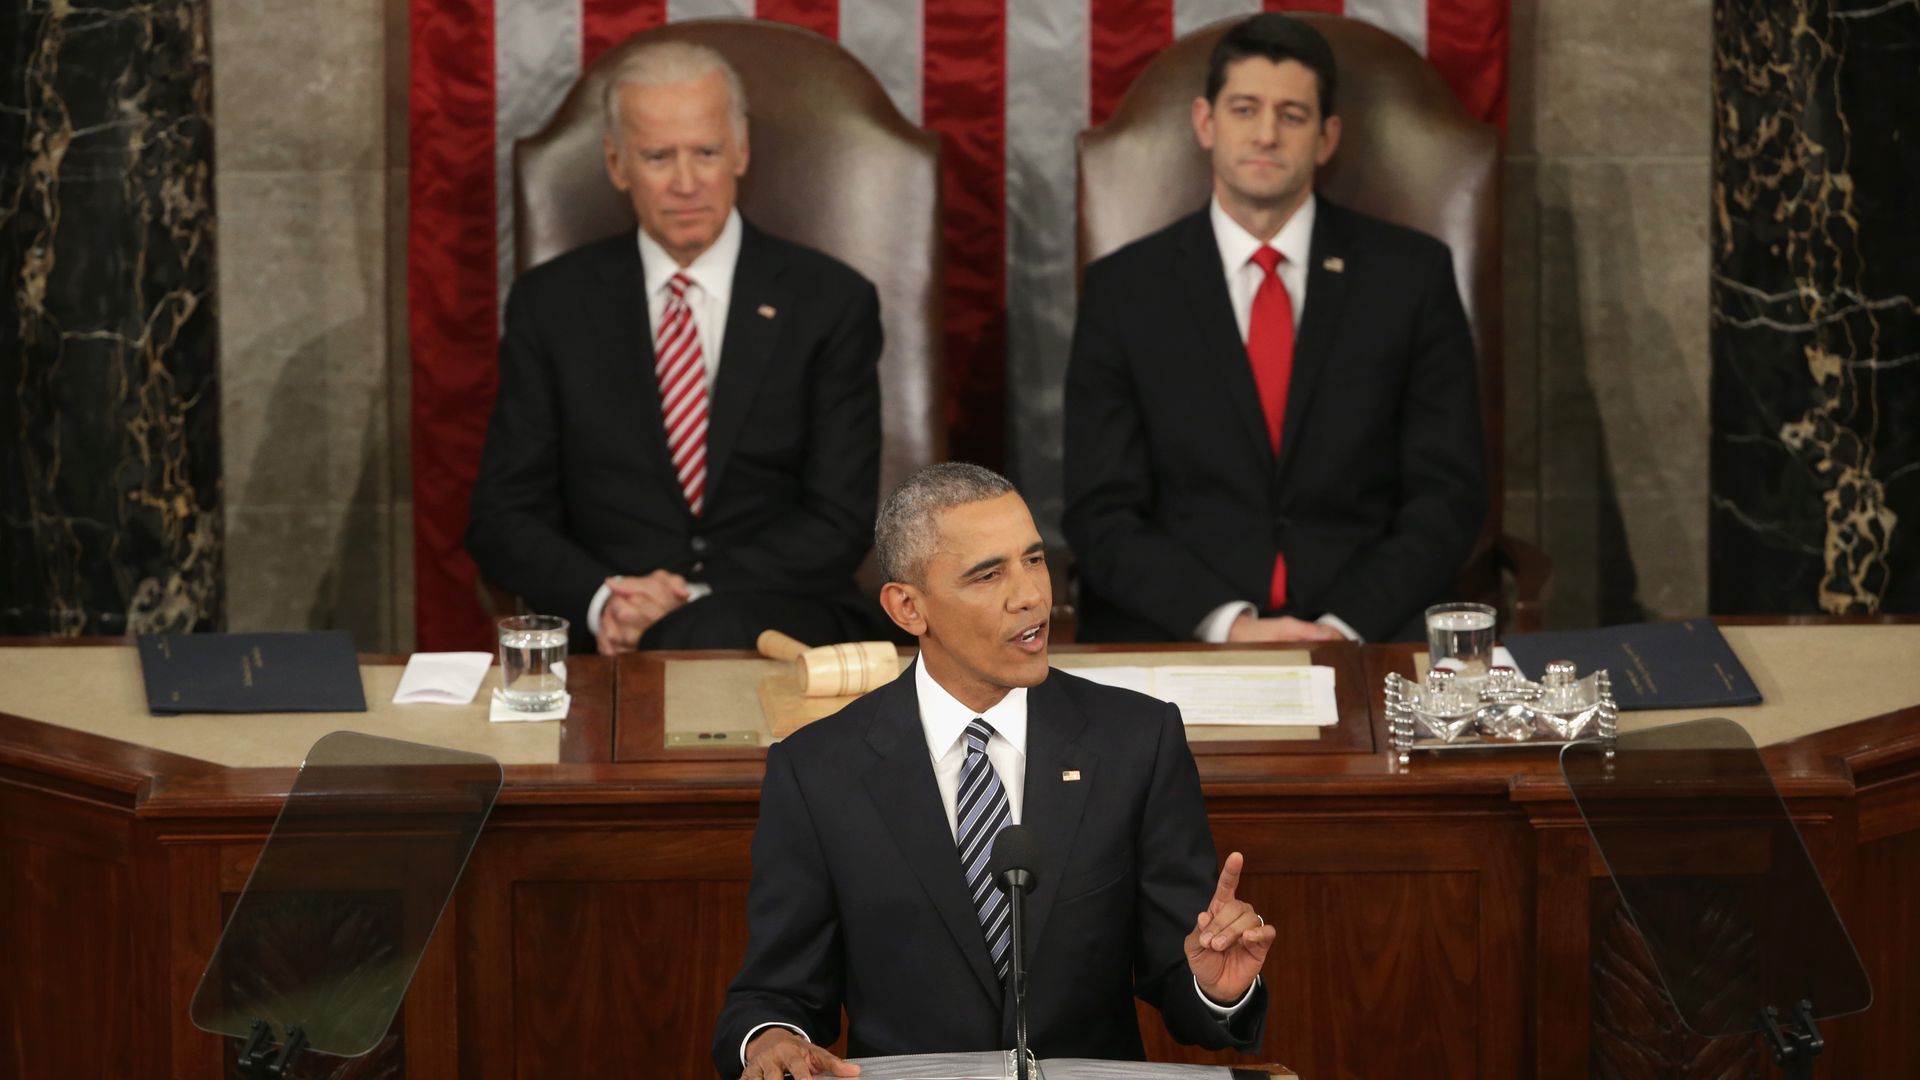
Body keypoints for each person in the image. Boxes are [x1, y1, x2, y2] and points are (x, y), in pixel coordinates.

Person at [713, 463, 1274, 1079]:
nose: (1032, 595)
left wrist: (1218, 988)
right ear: (908, 608)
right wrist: (770, 1041)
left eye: (1034, 560)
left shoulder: (1136, 740)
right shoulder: (818, 770)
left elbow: (1184, 977)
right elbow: (777, 993)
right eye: (988, 574)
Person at [1063, 14, 1486, 646]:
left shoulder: (1411, 277)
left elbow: (1447, 496)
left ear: (1326, 137)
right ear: (1205, 123)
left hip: (1373, 633)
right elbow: (1101, 512)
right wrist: (1228, 625)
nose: (1266, 133)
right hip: (1182, 633)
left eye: (1292, 115)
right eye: (1245, 109)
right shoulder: (1124, 290)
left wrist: (1344, 628)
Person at [467, 42, 886, 653]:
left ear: (740, 152)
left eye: (706, 153)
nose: (686, 183)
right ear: (617, 164)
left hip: (777, 620)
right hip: (607, 631)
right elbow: (501, 518)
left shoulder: (830, 301)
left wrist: (685, 601)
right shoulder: (550, 305)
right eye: (659, 156)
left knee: (704, 632)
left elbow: (839, 519)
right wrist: (606, 600)